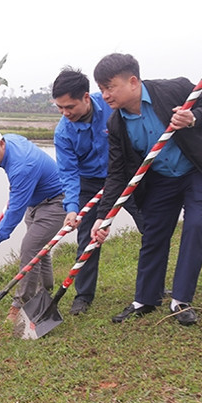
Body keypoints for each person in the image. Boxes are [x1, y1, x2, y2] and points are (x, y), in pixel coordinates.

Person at [90, 53, 202, 326]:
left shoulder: (174, 89)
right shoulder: (116, 124)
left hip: (199, 171)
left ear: (133, 82)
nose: (105, 95)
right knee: (154, 233)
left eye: (110, 87)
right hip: (162, 179)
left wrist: (193, 117)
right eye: (101, 89)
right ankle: (145, 299)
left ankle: (181, 300)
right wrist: (103, 217)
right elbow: (117, 173)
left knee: (194, 227)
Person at [52, 67, 143, 316]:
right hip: (90, 183)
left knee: (150, 226)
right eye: (60, 108)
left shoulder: (112, 107)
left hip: (125, 176)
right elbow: (68, 173)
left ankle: (151, 286)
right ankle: (83, 296)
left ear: (85, 97)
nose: (65, 113)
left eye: (69, 106)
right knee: (88, 238)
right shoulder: (63, 132)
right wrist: (72, 209)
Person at [0, 126, 67, 322]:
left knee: (30, 248)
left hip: (56, 201)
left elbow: (14, 212)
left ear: (1, 144)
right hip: (35, 200)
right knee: (39, 249)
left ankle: (20, 304)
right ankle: (45, 292)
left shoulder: (22, 167)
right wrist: (19, 190)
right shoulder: (11, 141)